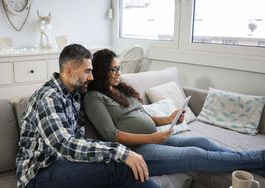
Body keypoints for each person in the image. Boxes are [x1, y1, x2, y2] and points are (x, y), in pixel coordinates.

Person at [83, 48, 265, 177]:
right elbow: (112, 135)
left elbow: (140, 116)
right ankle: (258, 158)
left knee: (200, 140)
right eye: (113, 69)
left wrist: (168, 119)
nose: (118, 73)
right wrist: (151, 138)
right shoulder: (94, 97)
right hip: (135, 151)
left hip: (153, 137)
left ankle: (257, 165)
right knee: (195, 154)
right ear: (101, 70)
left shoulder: (120, 89)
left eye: (119, 68)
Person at [16, 44, 160, 188]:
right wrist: (120, 151)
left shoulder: (75, 94)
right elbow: (66, 145)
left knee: (116, 168)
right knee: (120, 168)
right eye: (87, 71)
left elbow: (80, 139)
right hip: (38, 173)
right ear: (68, 71)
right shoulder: (48, 98)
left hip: (65, 163)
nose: (91, 77)